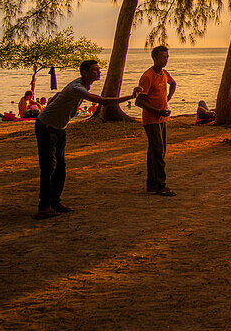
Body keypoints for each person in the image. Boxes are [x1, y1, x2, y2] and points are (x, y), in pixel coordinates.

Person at [33, 60, 141, 219]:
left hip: (59, 127)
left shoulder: (80, 85)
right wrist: (130, 96)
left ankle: (55, 202)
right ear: (85, 72)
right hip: (46, 126)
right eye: (95, 70)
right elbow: (103, 101)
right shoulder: (77, 87)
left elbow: (58, 95)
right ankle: (44, 207)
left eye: (98, 69)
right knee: (49, 166)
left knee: (60, 166)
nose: (99, 72)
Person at [135, 45, 177, 197]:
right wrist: (156, 110)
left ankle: (152, 184)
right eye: (162, 57)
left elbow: (173, 83)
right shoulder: (147, 76)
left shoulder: (164, 73)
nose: (165, 60)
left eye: (166, 57)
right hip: (151, 120)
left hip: (162, 118)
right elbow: (139, 101)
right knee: (158, 151)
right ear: (154, 58)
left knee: (157, 151)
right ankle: (160, 185)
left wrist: (168, 98)